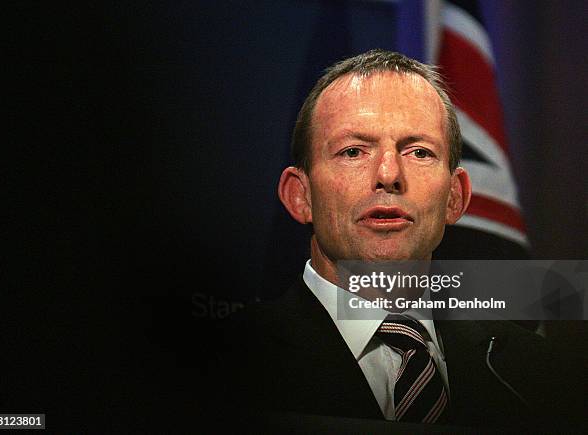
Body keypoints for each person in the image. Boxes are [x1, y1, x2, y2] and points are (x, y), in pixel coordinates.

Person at [216, 50, 576, 432]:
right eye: (353, 151)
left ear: (455, 197)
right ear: (300, 195)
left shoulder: (540, 375)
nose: (388, 174)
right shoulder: (214, 364)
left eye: (419, 152)